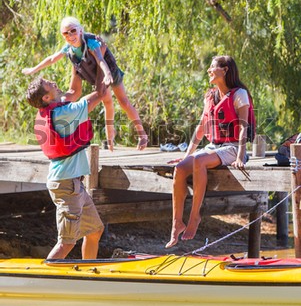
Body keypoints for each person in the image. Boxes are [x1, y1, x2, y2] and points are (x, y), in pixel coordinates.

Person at [165, 55, 254, 249]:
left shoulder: (239, 95)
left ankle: (195, 216)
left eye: (213, 67)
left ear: (226, 70)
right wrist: (188, 155)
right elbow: (201, 128)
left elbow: (242, 128)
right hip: (214, 147)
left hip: (232, 147)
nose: (209, 70)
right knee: (180, 169)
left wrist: (240, 157)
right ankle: (177, 223)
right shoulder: (211, 96)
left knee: (200, 162)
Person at [22, 16, 148, 152]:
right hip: (93, 74)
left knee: (124, 102)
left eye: (73, 31)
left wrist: (107, 74)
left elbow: (100, 59)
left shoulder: (91, 42)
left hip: (109, 71)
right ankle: (110, 137)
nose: (70, 36)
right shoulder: (68, 48)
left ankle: (142, 134)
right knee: (107, 102)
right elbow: (52, 58)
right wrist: (33, 69)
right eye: (66, 33)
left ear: (80, 30)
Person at [26, 76, 105, 260]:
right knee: (67, 242)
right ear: (46, 98)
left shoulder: (53, 108)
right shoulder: (63, 113)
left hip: (73, 184)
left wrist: (77, 62)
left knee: (95, 231)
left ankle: (87, 276)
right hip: (66, 185)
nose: (54, 83)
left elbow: (74, 91)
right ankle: (42, 281)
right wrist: (103, 65)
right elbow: (100, 94)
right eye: (49, 85)